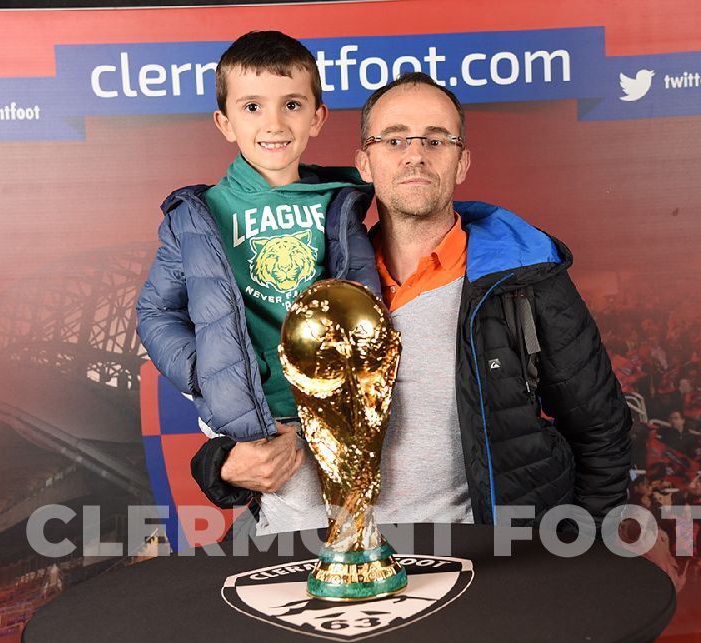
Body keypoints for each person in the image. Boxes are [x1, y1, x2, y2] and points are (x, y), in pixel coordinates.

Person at [190, 71, 633, 535]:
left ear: (462, 163)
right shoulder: (298, 269)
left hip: (462, 562)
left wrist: (585, 551)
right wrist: (221, 465)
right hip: (296, 554)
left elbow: (600, 429)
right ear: (364, 162)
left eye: (437, 141)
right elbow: (225, 398)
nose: (416, 155)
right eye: (394, 140)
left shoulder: (523, 279)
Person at [136, 31, 378, 534]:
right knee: (299, 555)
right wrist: (207, 375)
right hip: (259, 423)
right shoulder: (198, 216)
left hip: (338, 409)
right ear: (224, 123)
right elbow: (156, 312)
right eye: (251, 106)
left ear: (317, 116)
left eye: (291, 104)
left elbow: (363, 297)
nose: (273, 124)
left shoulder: (340, 202)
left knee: (370, 537)